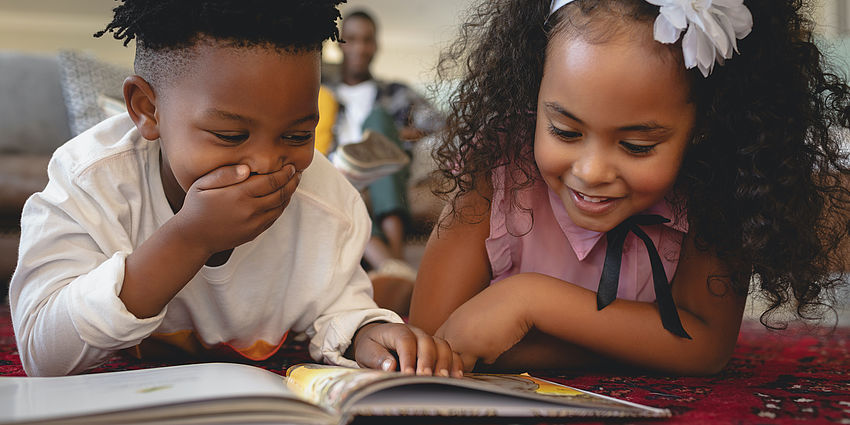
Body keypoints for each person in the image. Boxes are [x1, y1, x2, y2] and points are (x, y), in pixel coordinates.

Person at [9, 0, 462, 378]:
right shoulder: (89, 183)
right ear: (148, 110)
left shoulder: (327, 203)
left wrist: (367, 333)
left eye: (297, 135)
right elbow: (41, 352)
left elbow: (338, 309)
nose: (267, 163)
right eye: (230, 136)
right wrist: (190, 238)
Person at [409, 0, 850, 375]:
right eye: (564, 131)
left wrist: (529, 300)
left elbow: (707, 348)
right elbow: (432, 337)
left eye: (637, 146)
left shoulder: (716, 185)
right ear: (532, 93)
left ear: (703, 127)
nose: (593, 171)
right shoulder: (496, 166)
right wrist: (638, 346)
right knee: (394, 304)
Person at [320, 10, 445, 302]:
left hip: (386, 169)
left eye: (367, 40)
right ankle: (396, 267)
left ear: (376, 45)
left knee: (378, 122)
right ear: (339, 44)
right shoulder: (322, 91)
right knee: (340, 182)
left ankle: (393, 261)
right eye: (351, 40)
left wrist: (394, 135)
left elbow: (439, 124)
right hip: (340, 171)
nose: (360, 48)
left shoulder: (395, 92)